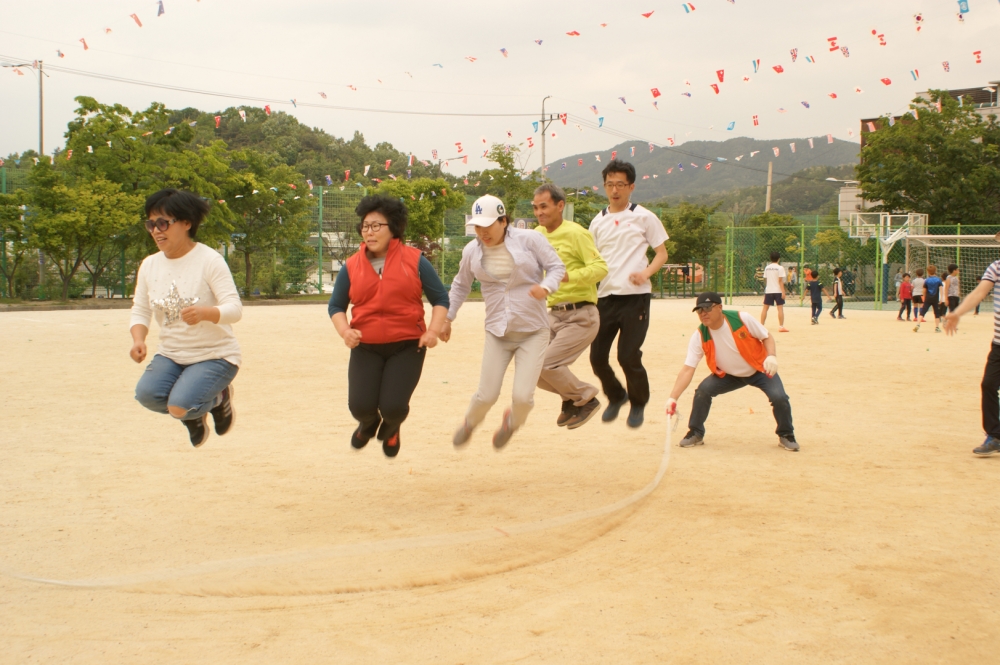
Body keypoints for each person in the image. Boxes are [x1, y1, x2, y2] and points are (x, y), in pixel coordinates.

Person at [328, 194, 450, 458]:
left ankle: (392, 426)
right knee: (360, 406)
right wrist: (345, 331)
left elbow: (440, 299)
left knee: (393, 406)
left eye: (376, 226)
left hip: (407, 345)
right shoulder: (351, 266)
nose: (368, 232)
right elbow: (336, 306)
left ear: (392, 227)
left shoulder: (415, 260)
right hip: (366, 346)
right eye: (365, 226)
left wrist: (432, 330)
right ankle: (368, 423)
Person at [445, 195, 566, 449]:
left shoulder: (530, 240)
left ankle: (512, 423)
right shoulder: (472, 251)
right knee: (486, 395)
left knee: (523, 397)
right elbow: (460, 285)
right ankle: (470, 422)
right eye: (477, 226)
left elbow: (556, 267)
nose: (482, 232)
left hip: (533, 330)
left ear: (503, 220)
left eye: (488, 225)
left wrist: (546, 287)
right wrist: (447, 317)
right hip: (497, 332)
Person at [130, 189, 242, 448]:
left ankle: (219, 398)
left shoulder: (209, 260)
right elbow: (140, 309)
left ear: (186, 223)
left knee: (179, 407)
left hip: (215, 355)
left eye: (163, 223)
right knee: (146, 395)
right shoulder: (149, 265)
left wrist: (207, 313)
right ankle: (195, 414)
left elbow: (235, 309)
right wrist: (138, 339)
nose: (156, 230)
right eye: (151, 224)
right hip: (171, 355)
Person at [588, 160, 669, 428]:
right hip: (605, 298)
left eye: (620, 185)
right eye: (610, 184)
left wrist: (645, 274)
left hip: (635, 299)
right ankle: (616, 395)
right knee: (597, 357)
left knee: (628, 356)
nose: (614, 190)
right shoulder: (597, 221)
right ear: (604, 186)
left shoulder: (644, 217)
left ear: (631, 187)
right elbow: (591, 259)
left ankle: (638, 403)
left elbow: (661, 253)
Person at [665, 292, 798, 452]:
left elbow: (767, 336)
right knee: (703, 392)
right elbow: (688, 369)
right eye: (699, 310)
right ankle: (695, 432)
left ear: (720, 307)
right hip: (728, 375)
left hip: (759, 369)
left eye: (707, 308)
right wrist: (673, 398)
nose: (703, 313)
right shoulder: (700, 335)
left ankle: (786, 435)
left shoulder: (742, 319)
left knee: (779, 397)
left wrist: (771, 357)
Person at [532, 184, 608, 429]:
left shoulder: (577, 233)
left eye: (544, 206)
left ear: (560, 205)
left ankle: (586, 397)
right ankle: (570, 398)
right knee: (531, 369)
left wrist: (569, 276)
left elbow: (601, 269)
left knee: (546, 364)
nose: (539, 212)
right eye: (535, 208)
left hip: (580, 315)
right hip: (553, 314)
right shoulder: (537, 235)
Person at [942, 247, 1000, 455]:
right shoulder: (996, 268)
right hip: (999, 344)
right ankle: (995, 435)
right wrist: (957, 312)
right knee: (989, 384)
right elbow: (979, 292)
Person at [760, 252, 789, 332]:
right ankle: (781, 326)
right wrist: (783, 292)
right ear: (779, 259)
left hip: (769, 290)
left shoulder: (767, 267)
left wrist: (767, 288)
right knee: (780, 308)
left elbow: (765, 279)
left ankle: (761, 326)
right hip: (778, 290)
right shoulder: (780, 268)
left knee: (765, 309)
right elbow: (780, 281)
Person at [915, 265, 945, 333]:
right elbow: (941, 290)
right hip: (935, 299)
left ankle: (918, 324)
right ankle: (937, 327)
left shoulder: (927, 280)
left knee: (923, 311)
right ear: (935, 271)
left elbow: (924, 291)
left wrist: (924, 298)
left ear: (928, 272)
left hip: (928, 298)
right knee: (936, 313)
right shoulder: (938, 280)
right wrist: (941, 299)